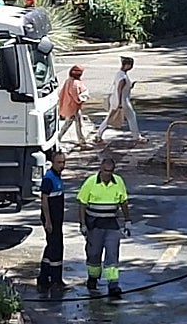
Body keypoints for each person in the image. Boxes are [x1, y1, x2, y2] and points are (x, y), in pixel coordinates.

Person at [77, 156, 131, 299]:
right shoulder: (90, 182)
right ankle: (93, 278)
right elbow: (82, 204)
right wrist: (82, 224)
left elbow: (124, 202)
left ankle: (113, 284)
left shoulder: (118, 182)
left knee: (112, 254)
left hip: (111, 224)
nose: (108, 174)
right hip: (94, 224)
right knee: (94, 253)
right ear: (100, 169)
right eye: (105, 170)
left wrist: (128, 221)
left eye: (110, 171)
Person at [36, 151, 67, 296]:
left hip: (57, 219)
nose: (62, 165)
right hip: (52, 220)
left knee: (52, 247)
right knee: (55, 248)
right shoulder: (49, 179)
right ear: (53, 163)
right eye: (59, 162)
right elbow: (44, 201)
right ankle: (55, 280)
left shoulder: (57, 177)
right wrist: (48, 221)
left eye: (63, 162)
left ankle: (44, 277)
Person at [94, 55, 142, 144]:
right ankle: (137, 137)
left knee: (109, 118)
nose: (131, 67)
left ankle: (98, 135)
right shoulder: (123, 77)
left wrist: (130, 86)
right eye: (131, 65)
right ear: (127, 65)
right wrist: (120, 103)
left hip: (115, 99)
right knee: (131, 117)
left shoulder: (119, 73)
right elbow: (119, 89)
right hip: (123, 101)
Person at [57, 65, 91, 148]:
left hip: (69, 106)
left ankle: (58, 138)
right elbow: (76, 97)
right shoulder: (75, 83)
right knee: (78, 124)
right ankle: (82, 142)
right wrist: (82, 99)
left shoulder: (69, 81)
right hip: (73, 107)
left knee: (69, 123)